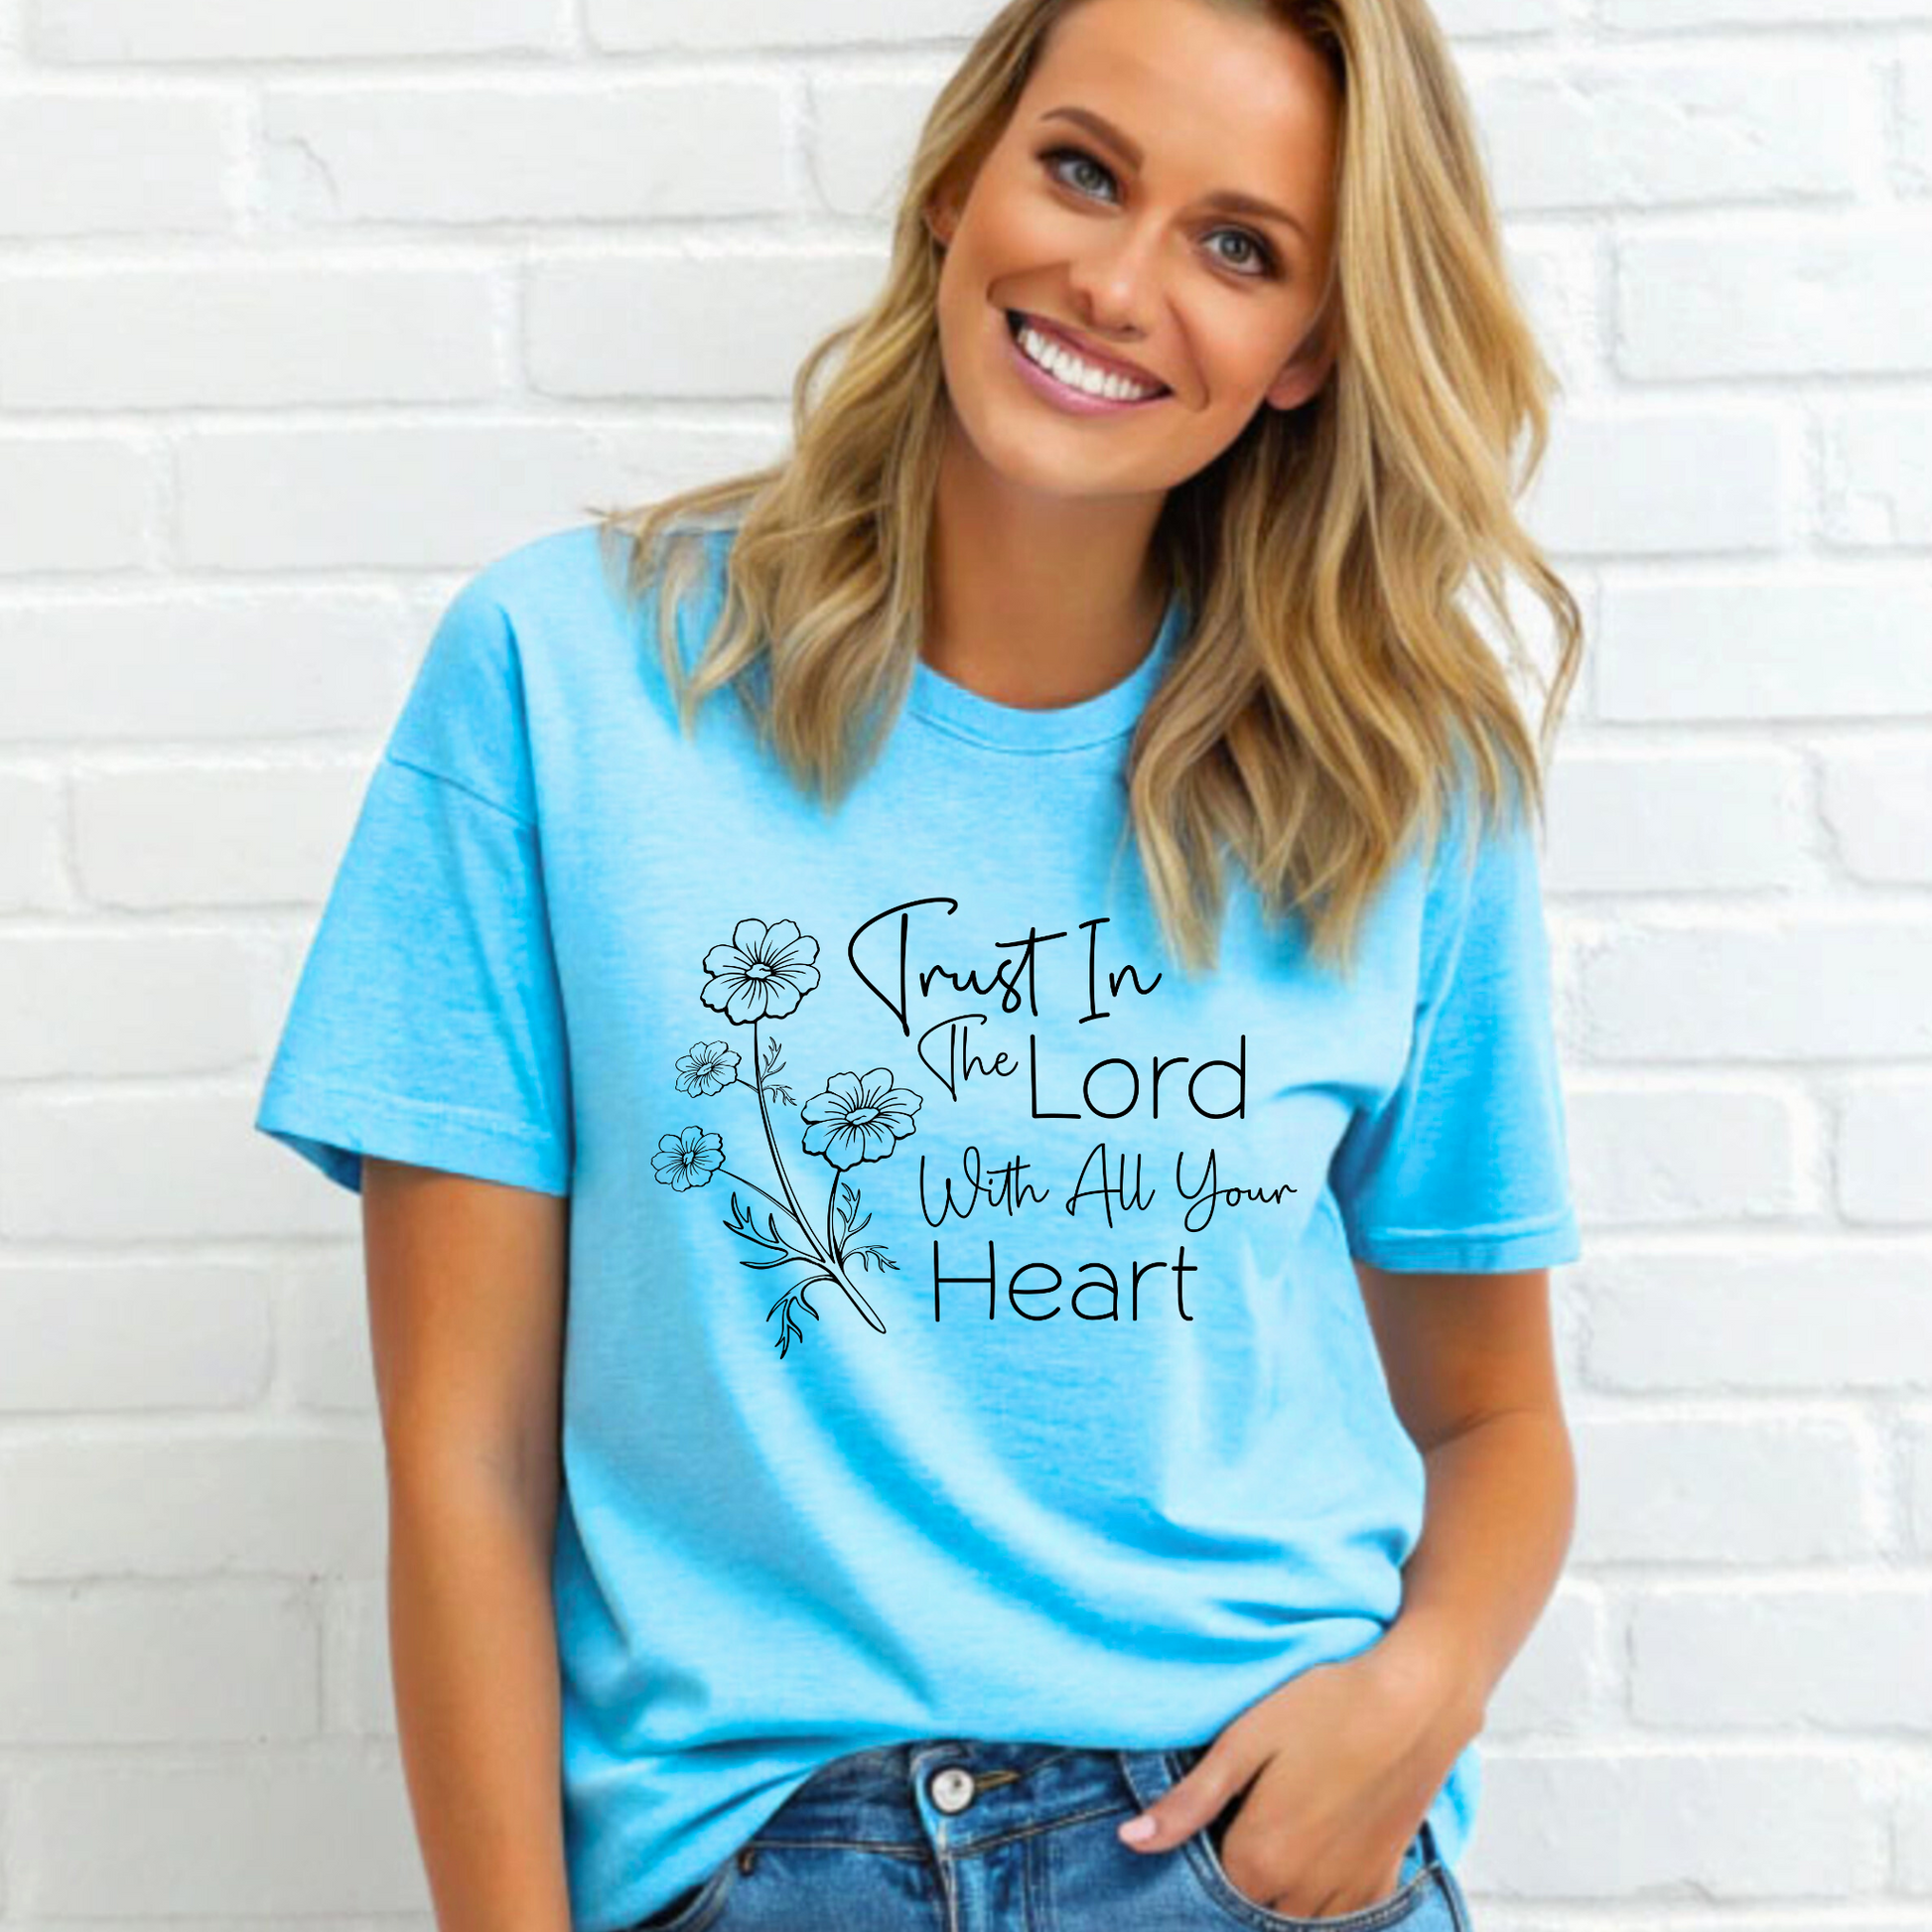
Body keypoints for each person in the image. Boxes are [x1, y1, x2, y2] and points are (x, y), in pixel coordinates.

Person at [254, 0, 1585, 1926]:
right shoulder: (566, 680)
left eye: (1239, 247)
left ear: (1311, 348)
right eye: (1081, 170)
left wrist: (1413, 1697)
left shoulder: (1397, 781)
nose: (1120, 282)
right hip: (759, 1852)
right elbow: (466, 1451)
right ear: (959, 180)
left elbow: (1496, 1416)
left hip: (1239, 1851)